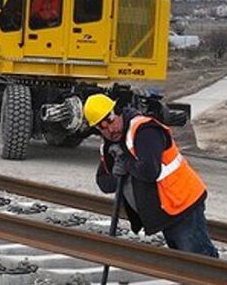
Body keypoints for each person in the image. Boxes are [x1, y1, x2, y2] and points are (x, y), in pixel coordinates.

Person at [86, 93, 218, 258]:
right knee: (186, 265)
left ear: (118, 112)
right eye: (102, 127)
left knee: (201, 262)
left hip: (182, 204)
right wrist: (117, 172)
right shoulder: (110, 146)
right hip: (166, 211)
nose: (110, 129)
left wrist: (126, 163)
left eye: (110, 120)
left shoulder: (144, 130)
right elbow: (104, 183)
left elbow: (150, 171)